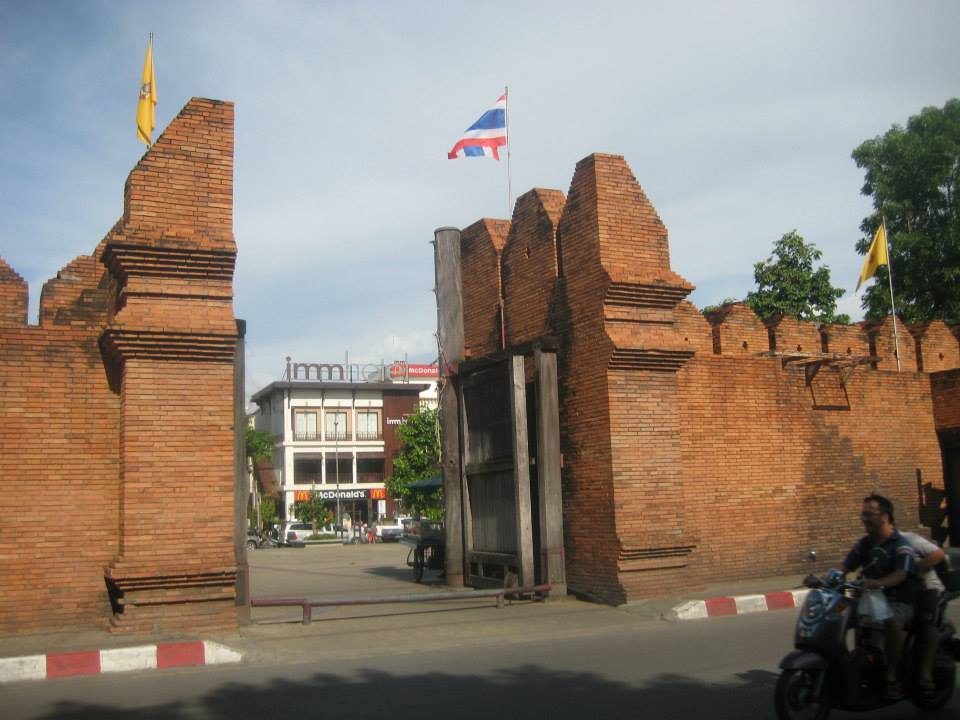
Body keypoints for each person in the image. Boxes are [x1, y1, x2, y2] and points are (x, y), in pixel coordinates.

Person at [836, 493, 918, 701]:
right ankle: (850, 663)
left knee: (890, 621)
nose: (863, 518)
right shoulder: (865, 544)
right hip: (870, 600)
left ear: (884, 517)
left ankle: (892, 677)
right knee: (839, 614)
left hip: (899, 601)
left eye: (868, 514)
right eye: (863, 514)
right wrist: (829, 577)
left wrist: (879, 583)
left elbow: (901, 574)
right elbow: (846, 565)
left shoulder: (901, 544)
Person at [900, 530, 946, 698]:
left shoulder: (908, 539)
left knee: (927, 621)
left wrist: (918, 567)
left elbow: (938, 554)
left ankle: (925, 672)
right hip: (899, 590)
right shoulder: (870, 543)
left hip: (928, 587)